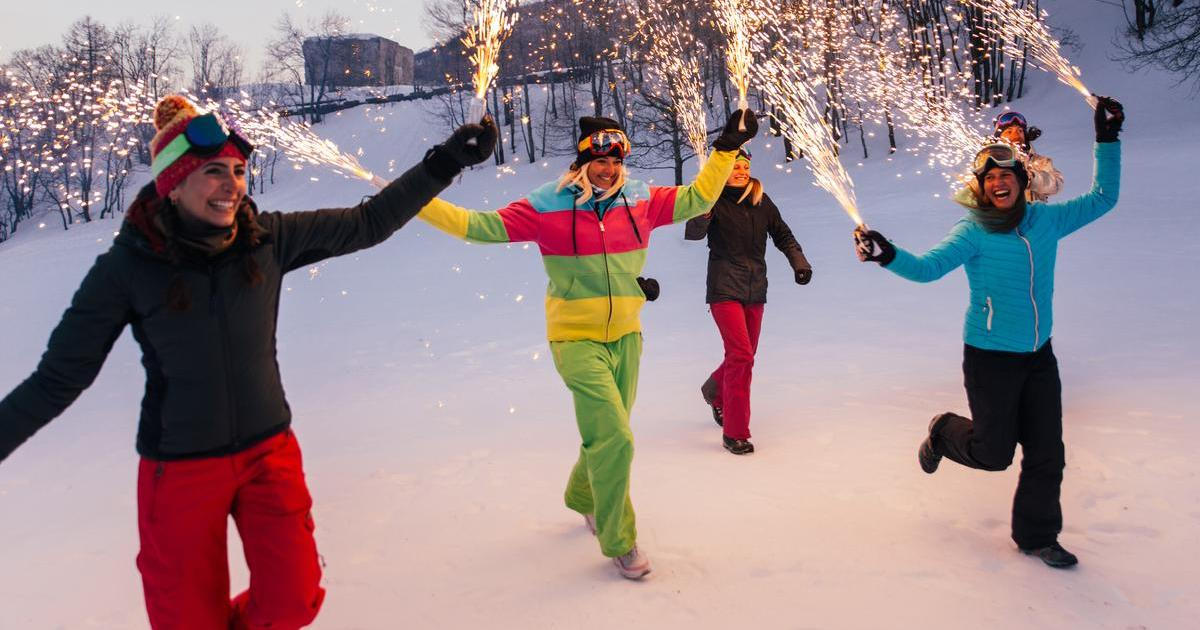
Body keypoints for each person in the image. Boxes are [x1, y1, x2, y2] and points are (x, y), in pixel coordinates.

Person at [0, 94, 497, 628]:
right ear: (173, 182)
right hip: (181, 470)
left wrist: (445, 163)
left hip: (269, 454)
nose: (232, 185)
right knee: (188, 619)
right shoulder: (127, 267)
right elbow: (57, 379)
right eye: (214, 172)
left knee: (293, 600)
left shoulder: (267, 239)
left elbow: (367, 222)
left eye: (238, 171)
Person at [416, 110, 758, 579]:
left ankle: (582, 495)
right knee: (616, 439)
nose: (608, 167)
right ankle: (619, 539)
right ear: (582, 161)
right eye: (599, 159)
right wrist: (412, 198)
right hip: (575, 339)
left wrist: (723, 152)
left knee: (606, 435)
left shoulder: (641, 200)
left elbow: (700, 197)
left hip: (627, 337)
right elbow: (478, 226)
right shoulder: (549, 203)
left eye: (616, 159)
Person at [853, 97, 1124, 569]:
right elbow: (928, 268)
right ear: (981, 187)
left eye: (1007, 176)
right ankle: (942, 432)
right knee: (993, 454)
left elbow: (1104, 197)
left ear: (1022, 182)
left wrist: (1106, 138)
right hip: (990, 357)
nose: (999, 183)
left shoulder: (1047, 220)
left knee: (1047, 453)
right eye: (990, 178)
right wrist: (887, 254)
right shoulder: (973, 230)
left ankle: (1037, 536)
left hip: (1040, 355)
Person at [685, 149, 812, 455]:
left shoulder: (760, 200)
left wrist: (800, 264)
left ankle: (715, 391)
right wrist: (702, 212)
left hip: (755, 288)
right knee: (741, 355)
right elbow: (692, 233)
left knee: (745, 354)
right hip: (724, 288)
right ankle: (735, 431)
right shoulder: (711, 198)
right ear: (723, 171)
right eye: (734, 167)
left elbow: (783, 235)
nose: (741, 171)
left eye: (744, 166)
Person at [993, 110, 1063, 202]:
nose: (1016, 135)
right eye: (1009, 132)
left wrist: (1031, 179)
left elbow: (1057, 184)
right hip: (1002, 216)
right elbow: (971, 195)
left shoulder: (1039, 161)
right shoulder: (988, 161)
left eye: (1020, 131)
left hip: (1036, 215)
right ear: (999, 138)